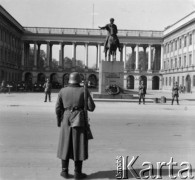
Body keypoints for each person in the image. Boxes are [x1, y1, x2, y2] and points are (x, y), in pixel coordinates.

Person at [55, 72, 95, 179]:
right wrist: (87, 92)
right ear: (79, 81)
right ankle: (78, 172)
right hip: (79, 118)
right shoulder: (83, 90)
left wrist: (59, 121)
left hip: (66, 118)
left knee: (65, 144)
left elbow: (58, 108)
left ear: (69, 80)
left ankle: (64, 171)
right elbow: (92, 107)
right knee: (79, 145)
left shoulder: (62, 91)